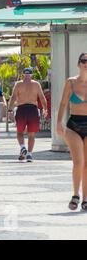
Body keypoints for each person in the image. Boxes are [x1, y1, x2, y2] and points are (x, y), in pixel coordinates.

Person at [57, 53, 87, 211]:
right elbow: (62, 104)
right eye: (83, 60)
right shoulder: (71, 82)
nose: (86, 63)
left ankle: (85, 198)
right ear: (78, 64)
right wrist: (58, 123)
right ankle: (75, 194)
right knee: (78, 162)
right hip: (73, 124)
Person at [8, 67, 48, 162]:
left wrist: (10, 110)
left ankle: (22, 147)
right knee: (31, 134)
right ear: (31, 75)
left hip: (21, 109)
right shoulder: (36, 84)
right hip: (33, 110)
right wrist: (45, 109)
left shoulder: (18, 84)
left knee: (19, 132)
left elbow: (13, 97)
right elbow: (42, 98)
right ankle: (29, 154)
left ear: (23, 75)